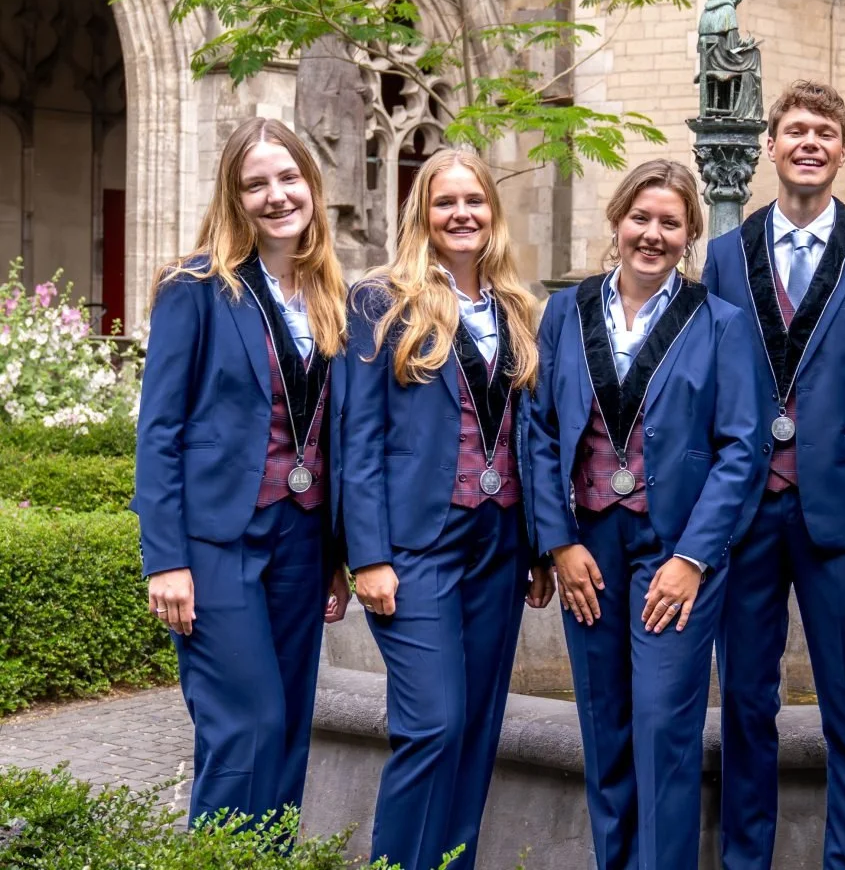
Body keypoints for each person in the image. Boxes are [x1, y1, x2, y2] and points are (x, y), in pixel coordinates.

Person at [529, 159, 768, 870]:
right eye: (641, 218)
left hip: (675, 550)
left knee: (664, 727)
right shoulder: (565, 312)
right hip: (589, 547)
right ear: (617, 221)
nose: (652, 235)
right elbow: (539, 431)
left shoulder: (720, 323)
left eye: (670, 222)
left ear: (690, 233)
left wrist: (693, 559)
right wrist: (559, 543)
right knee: (604, 725)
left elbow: (742, 449)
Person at [704, 80, 845, 870]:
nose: (809, 144)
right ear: (771, 146)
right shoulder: (725, 256)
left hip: (842, 518)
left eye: (824, 132)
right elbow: (708, 394)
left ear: (842, 151)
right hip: (747, 513)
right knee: (745, 703)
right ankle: (744, 861)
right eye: (795, 131)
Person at [133, 116, 351, 827]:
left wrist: (337, 558)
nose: (276, 195)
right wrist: (166, 561)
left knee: (287, 730)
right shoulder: (194, 288)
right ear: (234, 197)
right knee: (243, 725)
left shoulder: (332, 296)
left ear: (311, 185)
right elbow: (159, 433)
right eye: (256, 184)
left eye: (289, 178)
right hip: (216, 543)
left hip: (303, 542)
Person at [343, 149, 554, 870]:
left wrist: (539, 547)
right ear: (423, 214)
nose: (462, 214)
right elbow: (358, 438)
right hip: (417, 543)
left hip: (500, 543)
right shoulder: (380, 301)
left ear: (492, 210)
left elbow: (531, 436)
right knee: (432, 723)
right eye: (446, 202)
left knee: (476, 730)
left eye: (474, 200)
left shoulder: (518, 309)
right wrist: (368, 555)